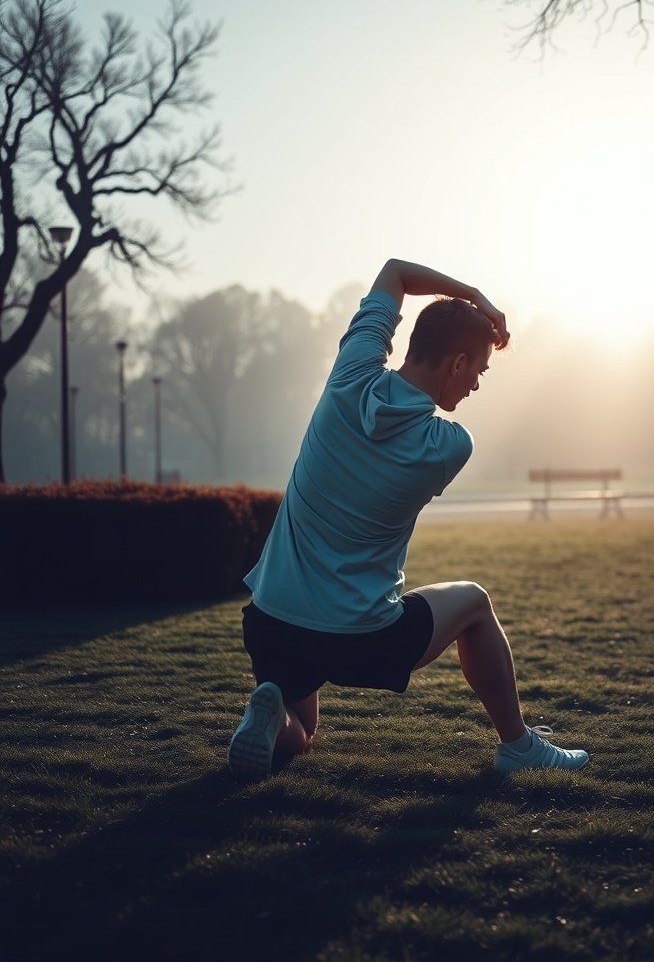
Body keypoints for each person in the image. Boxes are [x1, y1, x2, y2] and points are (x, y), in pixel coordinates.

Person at [228, 259, 589, 781]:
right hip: (362, 638)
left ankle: (269, 714)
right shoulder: (447, 445)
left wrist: (474, 297)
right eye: (479, 371)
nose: (477, 386)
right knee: (474, 602)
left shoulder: (348, 377)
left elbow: (394, 272)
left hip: (272, 619)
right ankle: (518, 745)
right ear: (457, 363)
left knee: (300, 730)